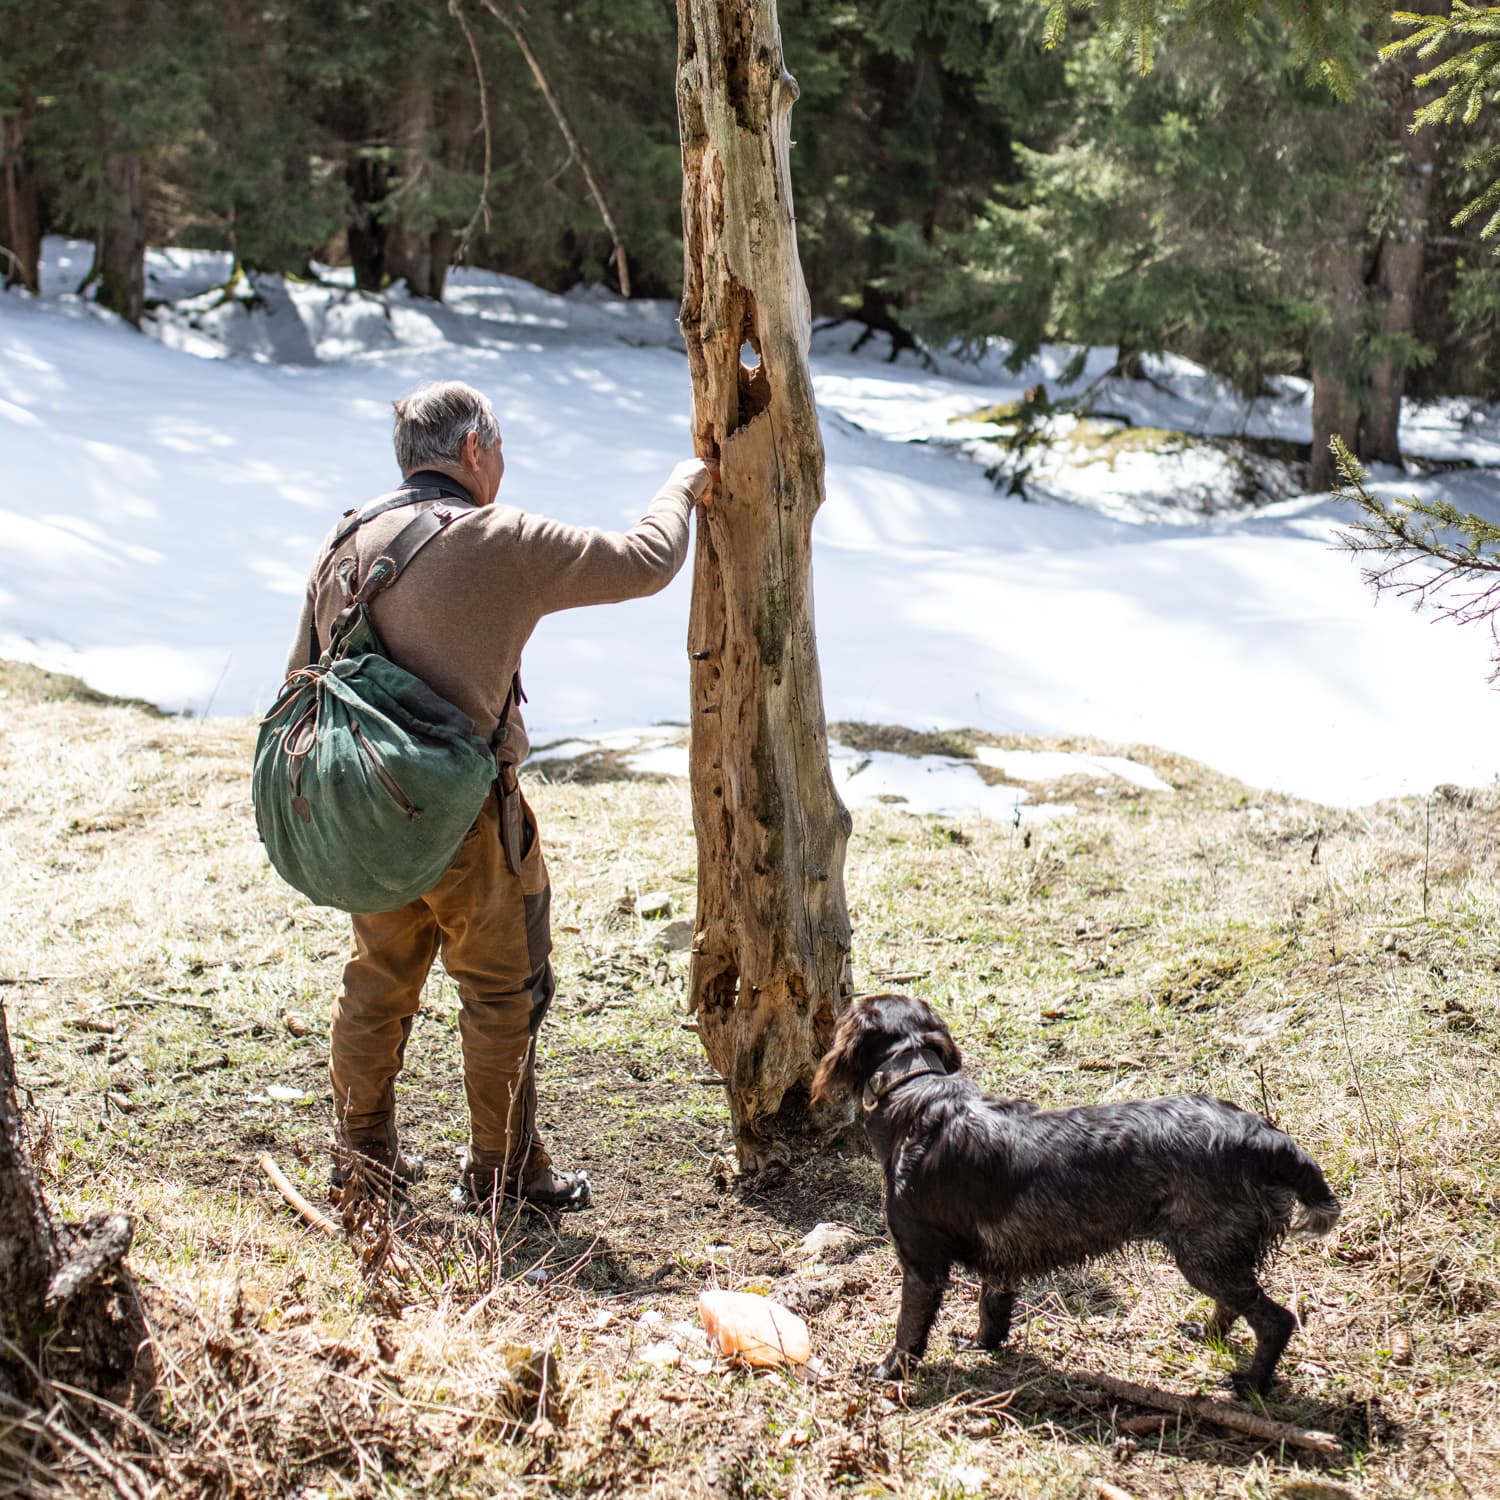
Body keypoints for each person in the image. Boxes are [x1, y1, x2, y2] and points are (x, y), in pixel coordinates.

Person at [284, 379, 715, 1210]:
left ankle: (363, 1154)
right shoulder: (498, 537)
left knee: (376, 979)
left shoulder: (346, 539)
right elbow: (647, 560)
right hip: (469, 821)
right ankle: (503, 1171)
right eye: (502, 447)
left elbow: (297, 682)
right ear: (475, 451)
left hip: (369, 812)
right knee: (500, 991)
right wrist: (682, 484)